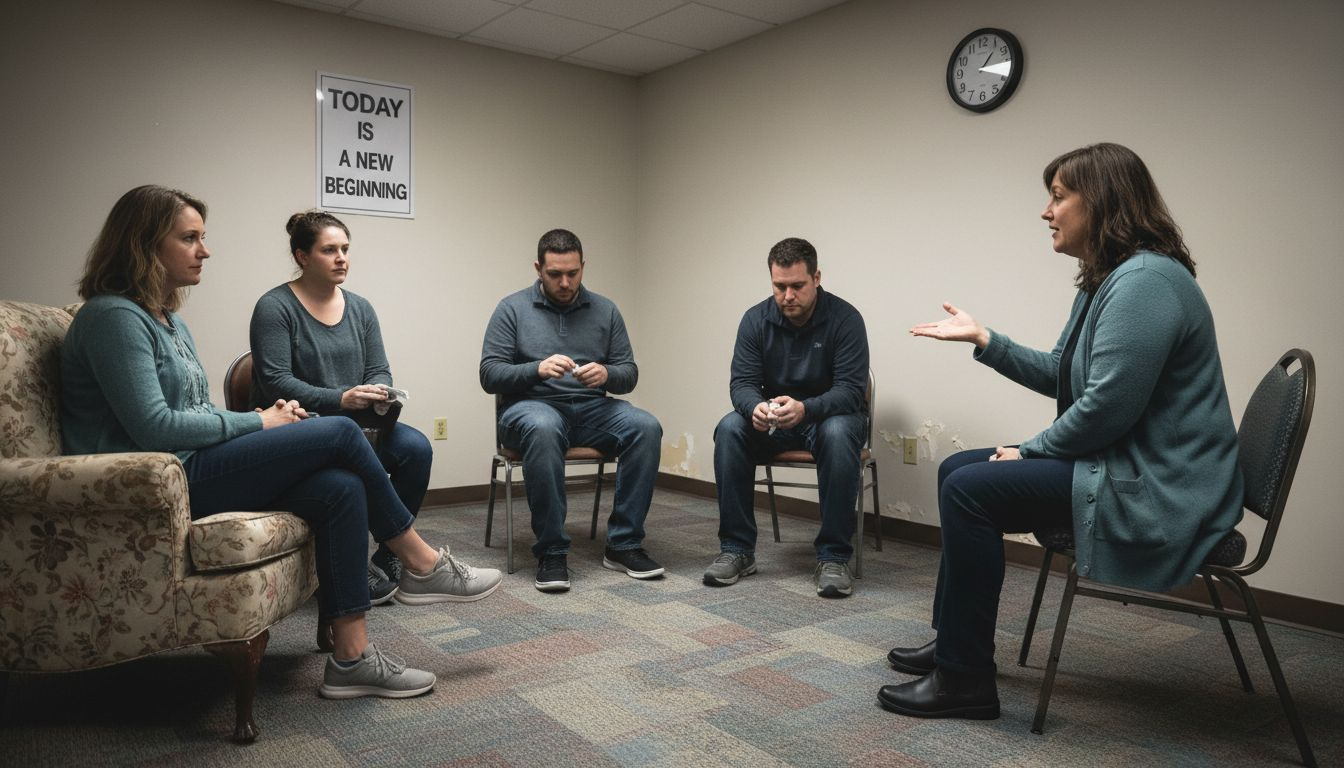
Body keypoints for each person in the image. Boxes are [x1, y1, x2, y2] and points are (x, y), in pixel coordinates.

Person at [61, 185, 503, 701]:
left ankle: (352, 660)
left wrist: (258, 418)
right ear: (143, 245)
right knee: (339, 431)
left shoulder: (166, 319)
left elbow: (193, 414)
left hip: (187, 465)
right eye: (189, 238)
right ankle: (421, 563)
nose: (205, 250)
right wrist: (260, 422)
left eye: (203, 238)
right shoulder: (113, 317)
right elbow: (156, 428)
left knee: (340, 487)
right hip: (156, 485)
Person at [879, 143, 1243, 720]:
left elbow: (1106, 408)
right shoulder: (1106, 281)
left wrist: (1029, 449)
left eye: (1057, 196)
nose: (1046, 212)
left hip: (1159, 486)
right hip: (1128, 464)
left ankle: (965, 681)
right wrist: (985, 340)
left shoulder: (1145, 281)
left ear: (1099, 202)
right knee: (956, 470)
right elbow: (1062, 374)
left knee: (969, 488)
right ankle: (956, 641)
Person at [249, 210, 432, 605]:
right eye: (329, 250)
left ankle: (389, 554)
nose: (341, 258)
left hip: (362, 422)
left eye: (345, 249)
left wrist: (380, 390)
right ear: (302, 256)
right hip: (305, 425)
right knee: (347, 467)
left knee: (417, 449)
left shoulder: (361, 308)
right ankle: (353, 561)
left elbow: (379, 367)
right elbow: (275, 381)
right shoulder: (275, 307)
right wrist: (340, 397)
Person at [479, 228, 664, 592]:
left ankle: (624, 544)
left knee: (646, 426)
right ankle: (551, 551)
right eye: (554, 274)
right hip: (530, 409)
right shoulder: (511, 309)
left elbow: (629, 375)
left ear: (583, 266)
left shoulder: (606, 310)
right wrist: (536, 369)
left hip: (592, 409)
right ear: (538, 268)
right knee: (544, 427)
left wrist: (607, 373)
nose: (565, 283)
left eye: (573, 273)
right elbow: (489, 374)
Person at [704, 237, 870, 598]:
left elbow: (852, 391)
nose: (788, 295)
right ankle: (737, 550)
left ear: (817, 278)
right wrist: (755, 408)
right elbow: (743, 384)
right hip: (777, 421)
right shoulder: (755, 320)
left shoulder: (846, 319)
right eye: (780, 287)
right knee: (730, 427)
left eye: (797, 286)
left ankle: (833, 557)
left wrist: (806, 409)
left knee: (840, 431)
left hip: (830, 419)